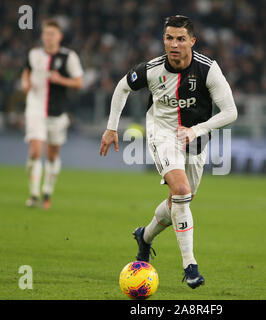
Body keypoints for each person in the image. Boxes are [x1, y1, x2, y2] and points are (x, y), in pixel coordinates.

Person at [99, 15, 237, 289]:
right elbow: (122, 87)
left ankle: (145, 237)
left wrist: (196, 131)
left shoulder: (208, 69)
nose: (174, 44)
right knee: (182, 191)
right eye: (169, 38)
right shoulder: (151, 69)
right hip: (163, 134)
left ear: (192, 41)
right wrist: (111, 128)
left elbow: (231, 112)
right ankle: (190, 266)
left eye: (180, 39)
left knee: (181, 200)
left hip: (196, 141)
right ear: (164, 40)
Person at [21, 19, 83, 209]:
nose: (49, 37)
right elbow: (26, 72)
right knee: (35, 151)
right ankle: (33, 194)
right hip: (35, 108)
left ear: (60, 37)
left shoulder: (68, 57)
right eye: (46, 34)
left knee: (52, 155)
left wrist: (60, 79)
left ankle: (47, 191)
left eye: (52, 34)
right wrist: (25, 83)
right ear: (42, 36)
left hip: (57, 113)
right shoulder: (34, 54)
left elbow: (79, 83)